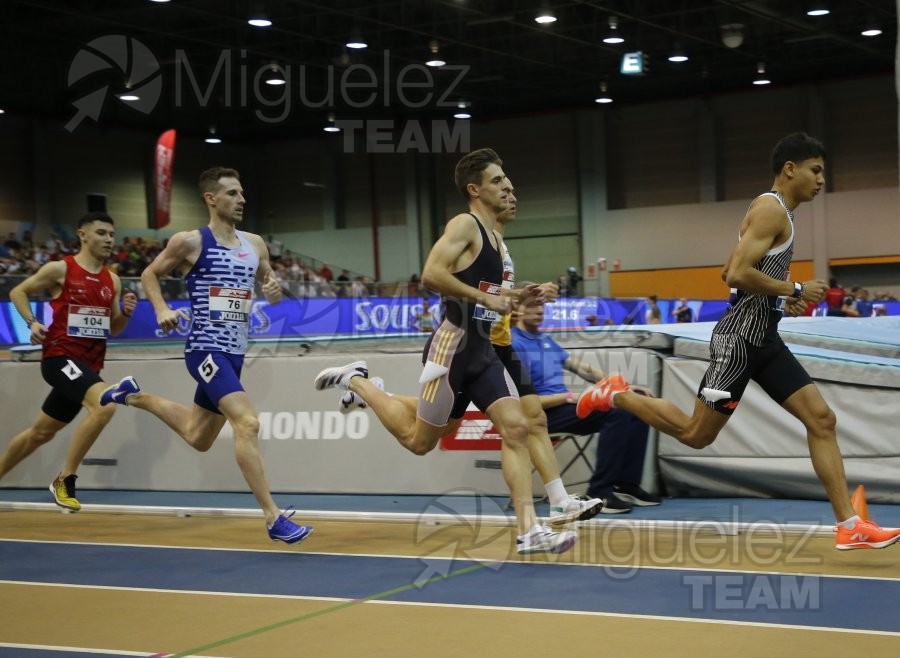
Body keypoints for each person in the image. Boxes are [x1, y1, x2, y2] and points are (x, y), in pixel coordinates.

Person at [576, 132, 900, 550]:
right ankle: (617, 395)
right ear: (790, 169)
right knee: (696, 435)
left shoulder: (778, 211)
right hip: (739, 343)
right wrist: (795, 289)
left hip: (764, 339)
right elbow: (735, 275)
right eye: (816, 171)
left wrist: (781, 300)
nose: (822, 181)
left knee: (822, 420)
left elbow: (728, 268)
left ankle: (849, 525)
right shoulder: (770, 209)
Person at [315, 149, 578, 554]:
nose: (508, 185)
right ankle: (359, 381)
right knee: (420, 441)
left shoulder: (496, 236)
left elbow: (487, 293)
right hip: (451, 348)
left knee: (518, 427)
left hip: (484, 352)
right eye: (497, 180)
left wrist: (521, 294)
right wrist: (485, 298)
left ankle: (529, 529)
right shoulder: (465, 224)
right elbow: (432, 275)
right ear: (474, 190)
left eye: (506, 178)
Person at [100, 166, 312, 544]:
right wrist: (162, 309)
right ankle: (272, 517)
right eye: (232, 193)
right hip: (205, 349)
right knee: (247, 423)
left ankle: (133, 394)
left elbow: (268, 285)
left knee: (199, 437)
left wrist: (274, 291)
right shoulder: (191, 242)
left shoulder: (256, 244)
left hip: (235, 353)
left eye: (242, 193)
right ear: (211, 199)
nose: (241, 199)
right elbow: (149, 274)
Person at [0, 212, 136, 511]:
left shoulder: (111, 280)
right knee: (105, 404)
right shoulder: (61, 269)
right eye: (101, 233)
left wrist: (124, 313)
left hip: (87, 367)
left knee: (41, 433)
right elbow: (17, 291)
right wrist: (32, 322)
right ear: (82, 235)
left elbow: (113, 329)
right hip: (60, 357)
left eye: (111, 234)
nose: (109, 240)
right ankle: (65, 479)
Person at [511, 299, 660, 513]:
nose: (539, 310)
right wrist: (571, 396)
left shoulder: (544, 339)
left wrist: (624, 388)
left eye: (541, 306)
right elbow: (524, 402)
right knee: (616, 411)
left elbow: (583, 369)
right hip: (542, 415)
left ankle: (626, 483)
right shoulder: (515, 345)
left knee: (635, 403)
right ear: (516, 309)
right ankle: (599, 491)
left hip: (565, 405)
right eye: (532, 305)